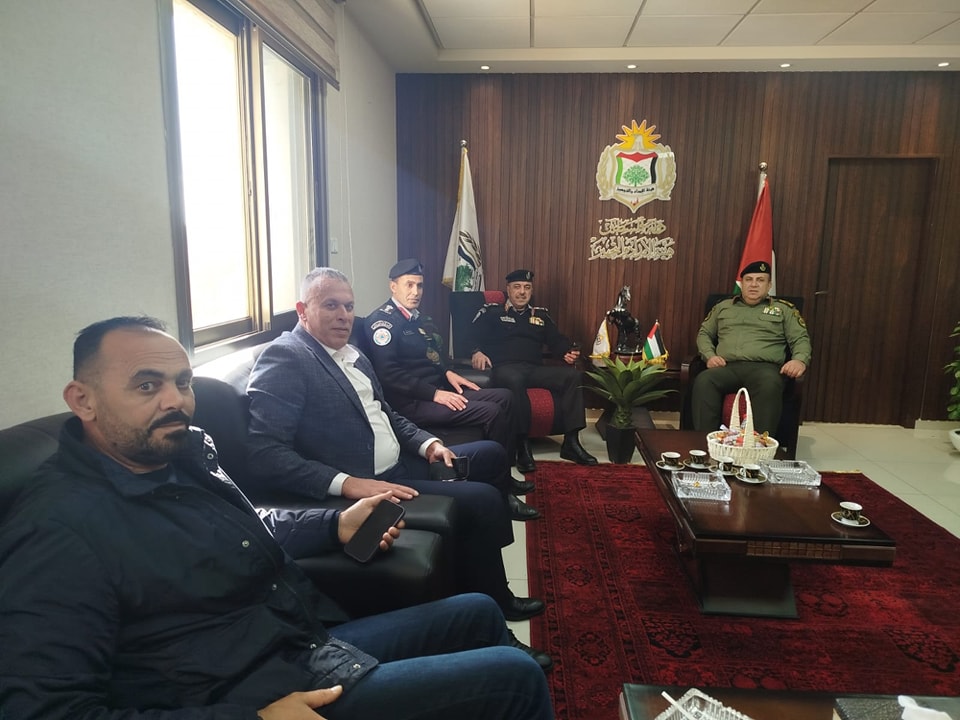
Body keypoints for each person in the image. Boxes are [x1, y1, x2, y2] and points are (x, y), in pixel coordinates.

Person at [0, 316, 554, 720]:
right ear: (83, 400)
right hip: (252, 696)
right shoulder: (58, 529)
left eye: (182, 382)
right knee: (514, 679)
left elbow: (248, 523)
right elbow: (43, 710)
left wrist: (331, 524)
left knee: (476, 611)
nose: (175, 401)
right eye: (147, 385)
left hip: (296, 644)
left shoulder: (180, 456)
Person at [245, 267, 551, 664]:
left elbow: (385, 413)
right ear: (302, 310)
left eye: (349, 306)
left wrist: (428, 443)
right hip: (371, 485)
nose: (343, 315)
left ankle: (493, 585)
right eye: (331, 305)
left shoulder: (352, 354)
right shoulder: (287, 357)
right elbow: (265, 453)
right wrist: (346, 483)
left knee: (491, 454)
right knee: (481, 500)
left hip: (401, 463)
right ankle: (493, 617)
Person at [362, 258, 537, 514]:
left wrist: (447, 372)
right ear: (393, 286)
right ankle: (502, 495)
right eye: (409, 285)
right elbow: (388, 375)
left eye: (420, 285)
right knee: (492, 412)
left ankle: (505, 476)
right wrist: (435, 393)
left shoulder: (414, 318)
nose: (416, 292)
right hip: (411, 403)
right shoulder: (383, 323)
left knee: (505, 397)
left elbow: (429, 356)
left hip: (434, 391)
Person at [471, 269, 598, 472]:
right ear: (508, 289)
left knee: (573, 376)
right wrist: (476, 351)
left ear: (531, 291)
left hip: (534, 369)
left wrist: (566, 351)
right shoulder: (492, 312)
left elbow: (556, 340)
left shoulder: (540, 315)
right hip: (505, 369)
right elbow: (471, 335)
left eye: (527, 287)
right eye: (517, 287)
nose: (522, 292)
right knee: (515, 379)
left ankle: (571, 442)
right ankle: (521, 445)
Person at [691, 260, 812, 434]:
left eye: (760, 280)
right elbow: (704, 334)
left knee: (769, 384)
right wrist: (709, 356)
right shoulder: (723, 307)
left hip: (765, 369)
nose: (754, 284)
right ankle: (706, 442)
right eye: (749, 279)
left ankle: (760, 446)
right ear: (742, 284)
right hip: (727, 367)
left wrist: (799, 360)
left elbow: (800, 338)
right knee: (704, 381)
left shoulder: (784, 309)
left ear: (769, 285)